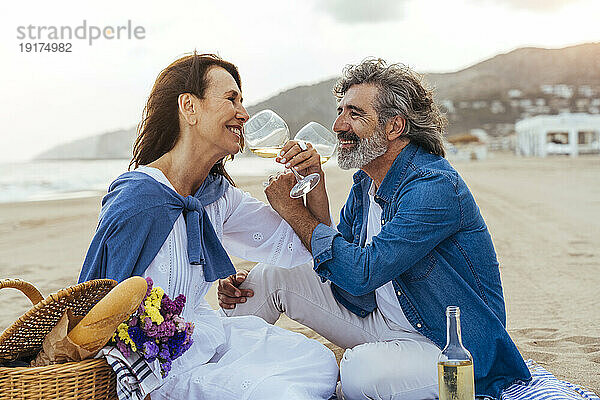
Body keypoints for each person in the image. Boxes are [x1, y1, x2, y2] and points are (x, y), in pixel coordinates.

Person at [218, 58, 532, 400]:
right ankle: (221, 371)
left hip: (448, 346)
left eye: (354, 114)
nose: (338, 125)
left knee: (360, 373)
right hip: (381, 319)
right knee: (265, 278)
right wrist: (316, 188)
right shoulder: (365, 183)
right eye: (340, 111)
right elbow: (339, 269)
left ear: (394, 126)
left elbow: (361, 273)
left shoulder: (434, 187)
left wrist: (292, 211)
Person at [78, 53, 338, 400]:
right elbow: (94, 305)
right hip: (158, 367)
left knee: (317, 361)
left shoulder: (215, 196)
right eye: (231, 99)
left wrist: (312, 183)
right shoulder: (137, 198)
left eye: (242, 101)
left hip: (202, 338)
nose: (244, 114)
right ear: (189, 107)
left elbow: (304, 245)